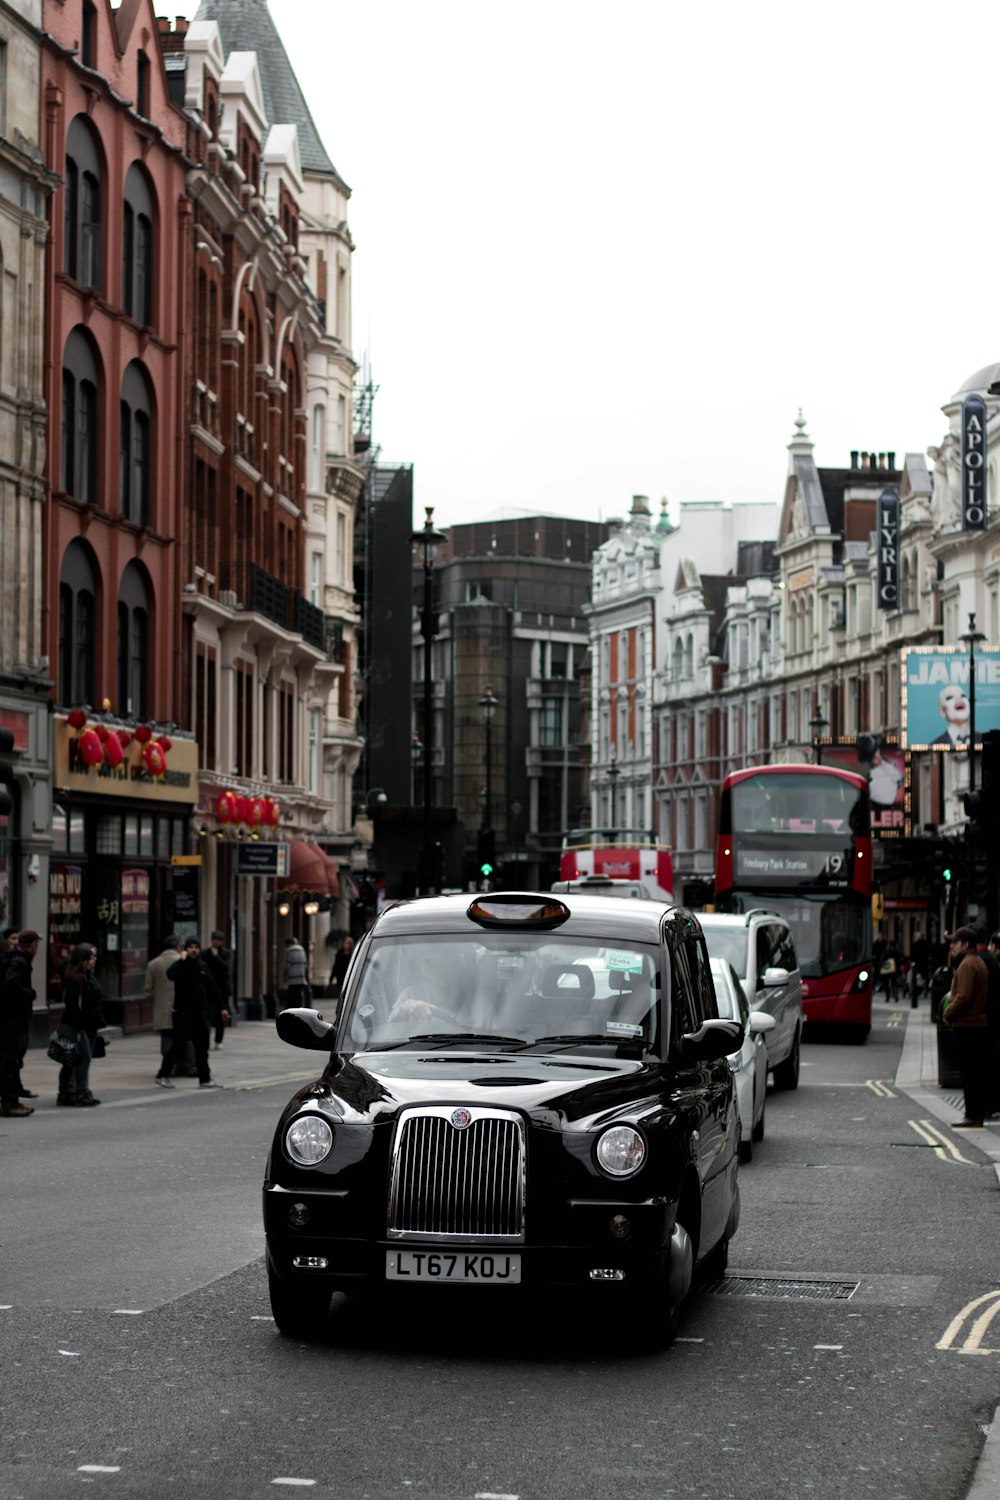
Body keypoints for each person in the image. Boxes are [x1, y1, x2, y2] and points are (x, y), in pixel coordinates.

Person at [160, 937, 228, 1088]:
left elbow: (212, 989)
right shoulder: (181, 966)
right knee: (178, 1045)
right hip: (183, 1014)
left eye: (196, 947)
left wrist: (222, 1007)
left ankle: (205, 1078)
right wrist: (181, 961)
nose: (194, 950)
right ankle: (163, 1074)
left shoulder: (202, 967)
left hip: (199, 1014)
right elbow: (170, 974)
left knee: (202, 1049)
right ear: (186, 949)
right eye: (190, 947)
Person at [940, 926, 990, 1127]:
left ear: (965, 945)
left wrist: (948, 1014)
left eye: (955, 942)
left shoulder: (967, 965)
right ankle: (975, 1114)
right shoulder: (976, 961)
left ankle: (972, 1115)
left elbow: (964, 997)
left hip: (968, 1026)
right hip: (976, 1025)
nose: (952, 946)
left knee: (969, 1073)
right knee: (974, 1072)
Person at [56, 943, 104, 1107]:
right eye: (91, 958)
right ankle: (80, 1092)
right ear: (82, 960)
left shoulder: (88, 975)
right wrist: (78, 1028)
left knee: (73, 1060)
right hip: (75, 1026)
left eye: (94, 957)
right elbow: (72, 1006)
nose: (94, 960)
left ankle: (68, 1092)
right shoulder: (75, 979)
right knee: (80, 1059)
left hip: (87, 1024)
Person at [0, 930, 40, 1117]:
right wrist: (29, 993)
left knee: (12, 1059)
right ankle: (9, 1102)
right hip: (12, 1018)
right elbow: (10, 984)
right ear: (32, 945)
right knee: (11, 1059)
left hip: (10, 1016)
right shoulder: (19, 961)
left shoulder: (15, 958)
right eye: (36, 944)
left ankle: (11, 1098)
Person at [145, 935, 182, 1083]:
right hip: (182, 1007)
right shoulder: (183, 961)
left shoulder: (153, 964)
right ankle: (189, 1067)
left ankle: (170, 1067)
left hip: (162, 1008)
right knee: (185, 1037)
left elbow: (148, 991)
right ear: (178, 946)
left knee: (167, 1037)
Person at [204, 930, 233, 1049]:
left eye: (218, 940)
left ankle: (218, 1040)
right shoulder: (205, 953)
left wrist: (216, 957)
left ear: (222, 942)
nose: (216, 942)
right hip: (208, 989)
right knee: (207, 1016)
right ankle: (205, 1040)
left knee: (221, 1016)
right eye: (214, 939)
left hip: (222, 990)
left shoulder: (226, 954)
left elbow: (226, 970)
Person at [283, 935, 311, 1009]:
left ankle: (292, 1009)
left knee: (292, 995)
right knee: (299, 994)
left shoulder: (290, 952)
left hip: (292, 978)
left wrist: (285, 975)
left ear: (289, 944)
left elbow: (287, 965)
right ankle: (299, 1008)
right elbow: (305, 964)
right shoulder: (302, 951)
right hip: (301, 977)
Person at [329, 935, 354, 1000]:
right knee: (341, 993)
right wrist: (332, 977)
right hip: (340, 976)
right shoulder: (339, 954)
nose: (345, 945)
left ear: (350, 945)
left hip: (349, 976)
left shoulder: (352, 955)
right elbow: (335, 966)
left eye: (347, 943)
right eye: (344, 943)